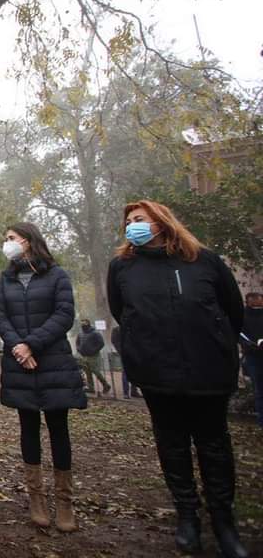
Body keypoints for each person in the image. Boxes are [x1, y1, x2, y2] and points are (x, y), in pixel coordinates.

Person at [108, 200, 248, 558]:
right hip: (157, 373)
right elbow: (122, 312)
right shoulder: (123, 267)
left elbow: (232, 310)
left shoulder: (204, 260)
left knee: (214, 447)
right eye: (128, 221)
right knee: (172, 446)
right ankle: (187, 516)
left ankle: (224, 522)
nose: (132, 225)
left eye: (139, 219)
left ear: (161, 221)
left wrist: (217, 344)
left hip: (207, 371)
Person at [0, 222, 86, 532]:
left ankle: (65, 502)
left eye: (11, 238)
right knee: (28, 428)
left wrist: (31, 344)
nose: (7, 243)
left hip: (53, 362)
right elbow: (1, 316)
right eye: (6, 239)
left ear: (29, 240)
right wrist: (18, 347)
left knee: (59, 430)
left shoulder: (56, 275)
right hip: (20, 364)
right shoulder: (5, 279)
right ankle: (36, 498)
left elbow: (63, 314)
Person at [239, 292, 263, 428]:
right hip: (253, 356)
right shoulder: (243, 316)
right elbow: (239, 334)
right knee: (259, 390)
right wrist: (249, 345)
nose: (257, 302)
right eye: (254, 300)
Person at [74, 319, 110, 396]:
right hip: (84, 355)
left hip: (94, 356)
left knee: (95, 370)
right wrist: (79, 349)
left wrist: (93, 351)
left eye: (84, 323)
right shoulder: (80, 333)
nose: (83, 324)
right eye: (82, 323)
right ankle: (91, 388)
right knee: (87, 372)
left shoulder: (95, 333)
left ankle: (106, 385)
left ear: (88, 323)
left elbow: (101, 343)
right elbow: (77, 342)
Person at [109, 325, 139, 400]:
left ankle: (134, 391)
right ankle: (126, 392)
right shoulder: (117, 329)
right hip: (125, 353)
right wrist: (121, 350)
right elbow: (114, 341)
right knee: (126, 373)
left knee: (135, 372)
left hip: (135, 352)